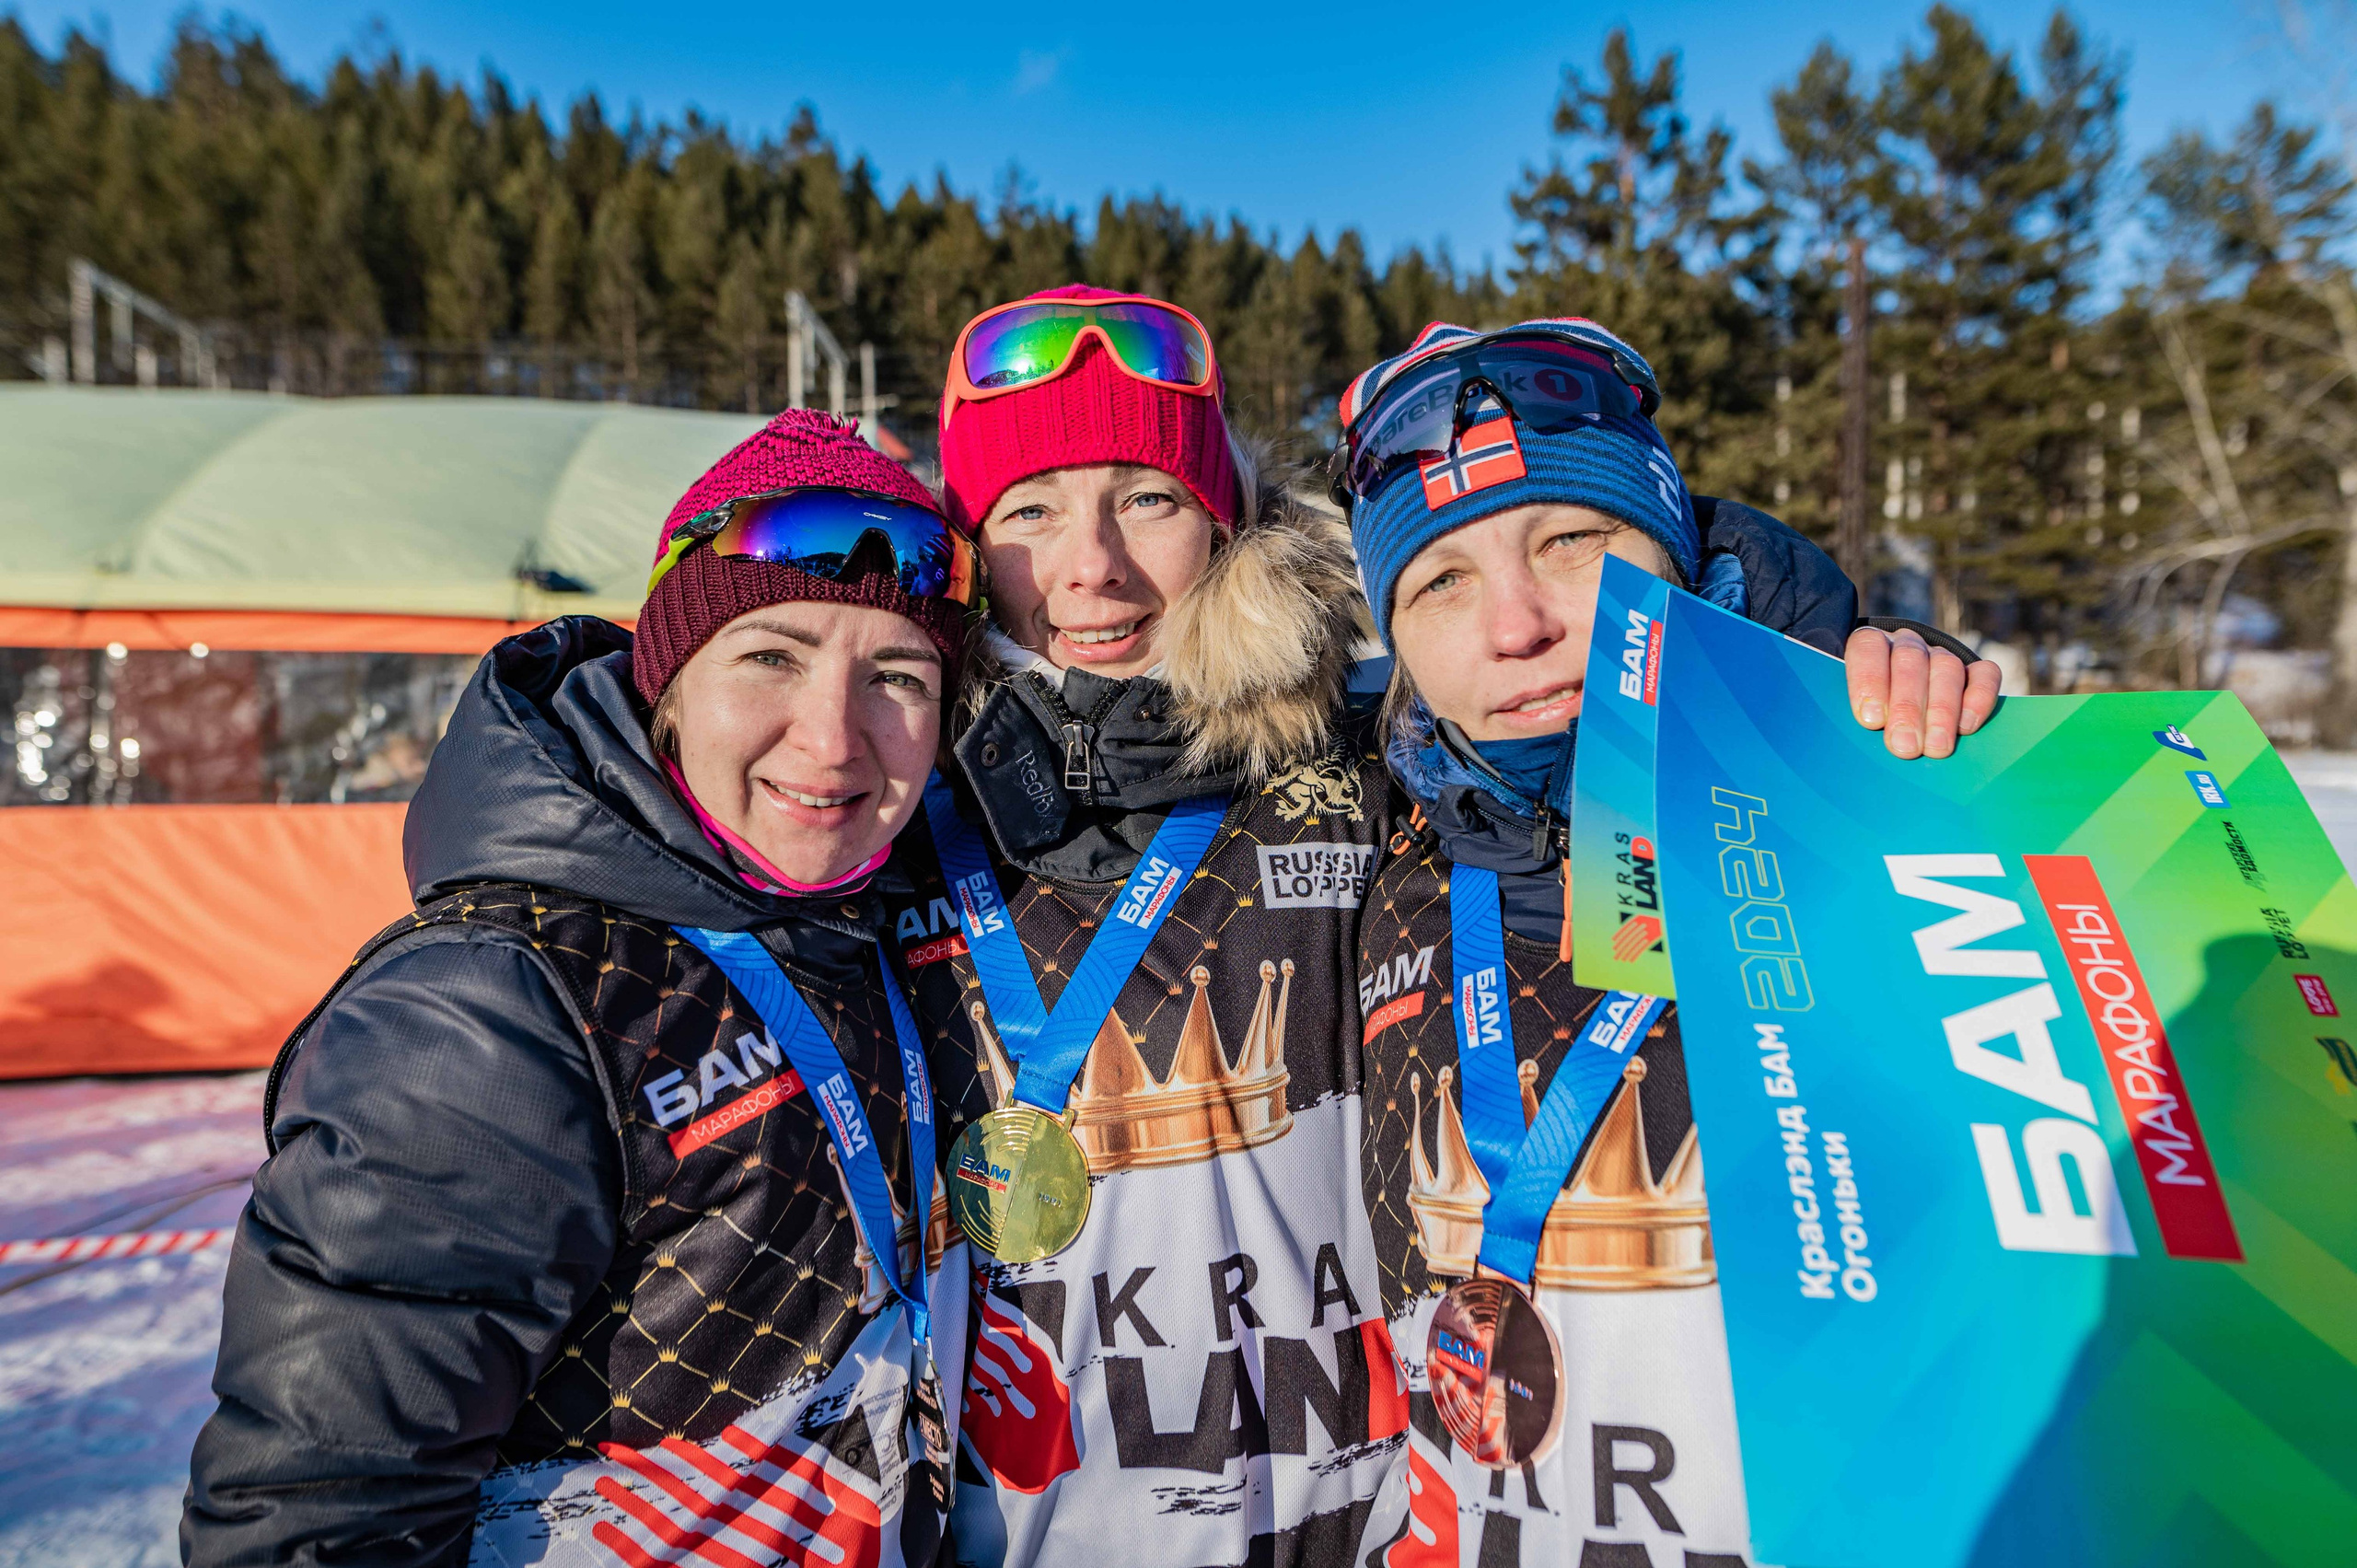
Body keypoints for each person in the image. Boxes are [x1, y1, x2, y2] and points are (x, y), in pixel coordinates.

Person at [184, 411, 976, 1568]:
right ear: (667, 683)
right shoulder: (486, 1005)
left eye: (896, 675)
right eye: (772, 656)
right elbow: (319, 1514)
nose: (833, 738)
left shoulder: (863, 923)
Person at [1332, 318, 1995, 1564]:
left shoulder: (1858, 797)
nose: (1517, 624)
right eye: (1441, 582)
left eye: (1572, 540)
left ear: (1675, 551)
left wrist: (1915, 725)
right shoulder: (1382, 843)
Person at [885, 285, 1404, 1568]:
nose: (1093, 566)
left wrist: (1801, 623)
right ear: (968, 548)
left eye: (1147, 499)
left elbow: (1576, 694)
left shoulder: (1374, 754)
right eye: (1030, 511)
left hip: (1343, 1533)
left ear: (1224, 520)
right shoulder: (883, 806)